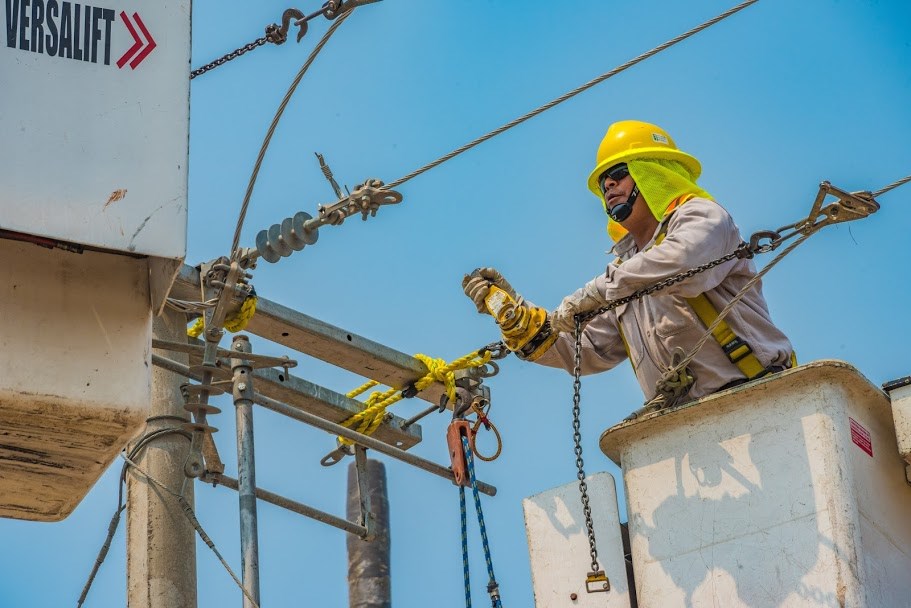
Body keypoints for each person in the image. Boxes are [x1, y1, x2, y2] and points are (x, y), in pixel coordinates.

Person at [463, 120, 794, 403]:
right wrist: (520, 320)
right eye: (604, 180)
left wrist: (598, 289)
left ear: (653, 174)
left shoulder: (702, 217)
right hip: (687, 425)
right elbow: (590, 350)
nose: (608, 185)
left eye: (619, 174)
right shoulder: (630, 272)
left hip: (757, 397)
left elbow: (683, 263)